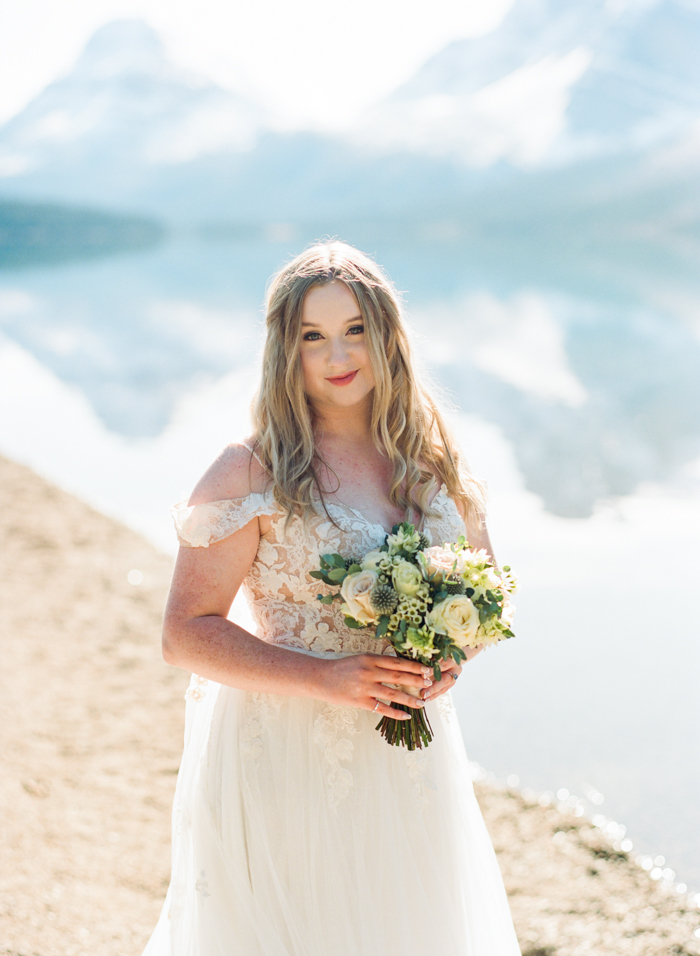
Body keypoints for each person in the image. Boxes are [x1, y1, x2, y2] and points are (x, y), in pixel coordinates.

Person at [143, 241, 522, 956]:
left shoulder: (433, 462)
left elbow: (484, 598)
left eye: (353, 329)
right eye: (311, 336)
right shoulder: (250, 470)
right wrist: (321, 676)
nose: (335, 354)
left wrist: (448, 658)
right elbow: (184, 633)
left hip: (408, 752)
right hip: (284, 751)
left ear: (386, 335)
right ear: (284, 349)